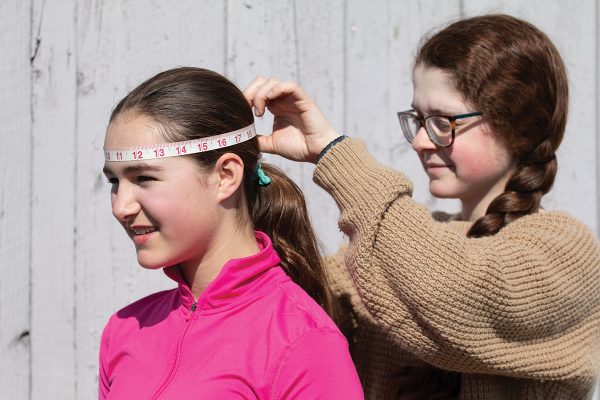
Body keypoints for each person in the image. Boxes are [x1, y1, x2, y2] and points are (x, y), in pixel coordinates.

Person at [244, 14, 600, 399]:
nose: (420, 142)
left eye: (443, 122)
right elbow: (289, 298)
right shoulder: (392, 254)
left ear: (515, 124)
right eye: (418, 119)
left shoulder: (566, 251)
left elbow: (455, 296)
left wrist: (335, 154)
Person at [98, 67, 363, 399]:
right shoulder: (124, 330)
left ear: (225, 176)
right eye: (114, 181)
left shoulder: (303, 341)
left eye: (144, 178)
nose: (120, 206)